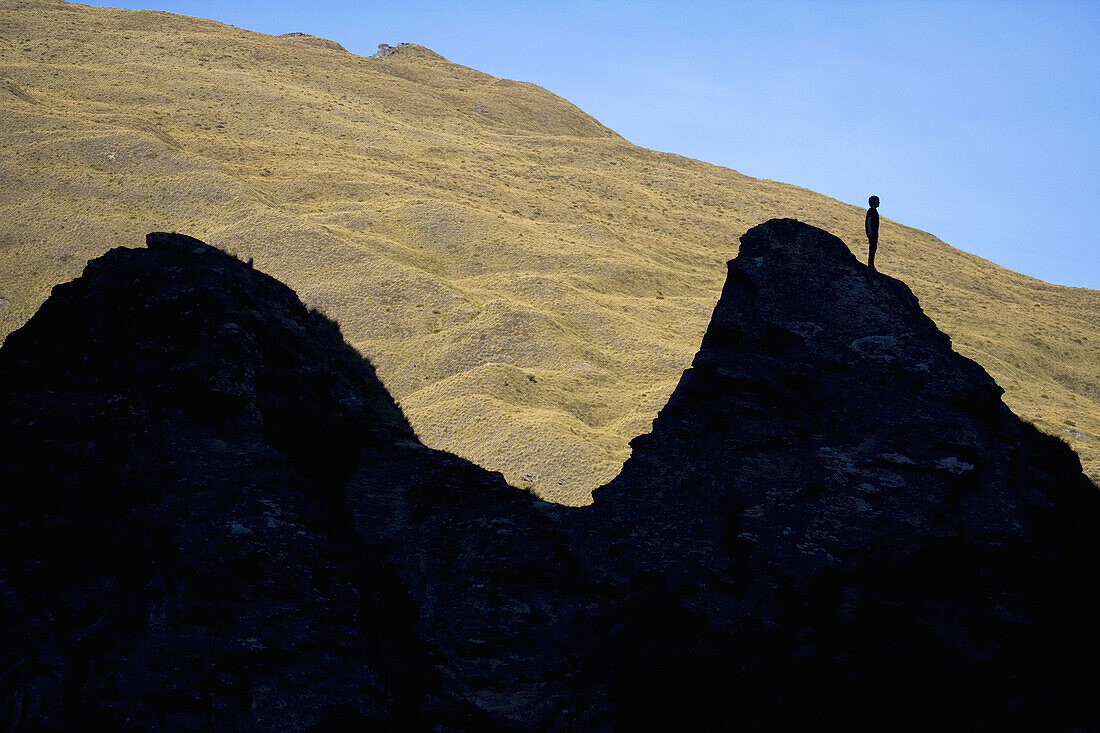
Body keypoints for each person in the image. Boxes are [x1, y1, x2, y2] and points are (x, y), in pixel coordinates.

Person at [865, 195, 880, 270]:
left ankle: (871, 263)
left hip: (874, 232)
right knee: (872, 247)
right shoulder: (871, 211)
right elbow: (869, 220)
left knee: (874, 247)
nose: (879, 203)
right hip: (872, 232)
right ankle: (870, 264)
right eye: (877, 201)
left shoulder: (873, 211)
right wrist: (870, 230)